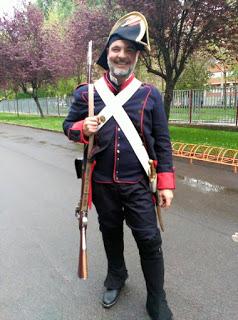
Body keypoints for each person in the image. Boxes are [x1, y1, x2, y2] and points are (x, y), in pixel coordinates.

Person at [63, 11, 175, 320]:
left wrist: (165, 183)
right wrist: (81, 129)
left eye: (129, 49)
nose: (121, 55)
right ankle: (116, 276)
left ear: (137, 56)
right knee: (109, 231)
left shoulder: (150, 95)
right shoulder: (87, 94)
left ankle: (157, 297)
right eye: (116, 49)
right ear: (107, 54)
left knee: (149, 240)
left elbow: (163, 143)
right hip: (101, 183)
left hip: (138, 184)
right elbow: (67, 126)